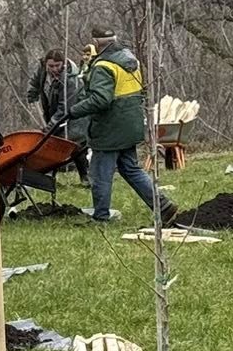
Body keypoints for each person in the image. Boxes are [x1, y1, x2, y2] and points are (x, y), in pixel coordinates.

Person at [66, 25, 177, 224]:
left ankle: (101, 217)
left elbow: (101, 100)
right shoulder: (130, 60)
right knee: (130, 169)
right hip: (130, 124)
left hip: (110, 129)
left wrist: (74, 111)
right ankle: (163, 205)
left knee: (100, 173)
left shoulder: (103, 66)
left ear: (96, 43)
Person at [27, 47, 90, 183]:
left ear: (63, 64)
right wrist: (32, 94)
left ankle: (85, 177)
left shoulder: (71, 79)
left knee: (74, 144)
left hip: (74, 114)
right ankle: (49, 177)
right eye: (51, 66)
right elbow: (35, 83)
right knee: (52, 143)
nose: (54, 69)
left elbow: (65, 108)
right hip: (52, 107)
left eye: (57, 65)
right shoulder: (43, 68)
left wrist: (49, 127)